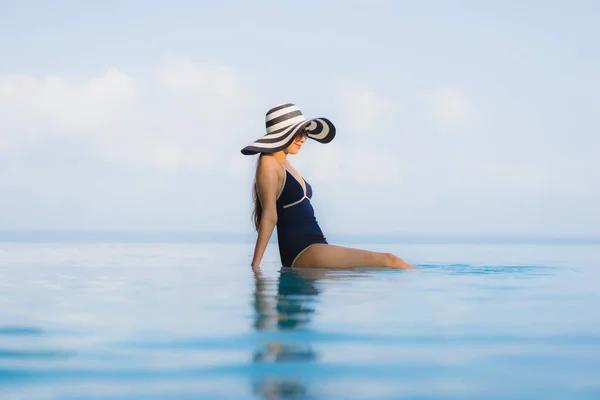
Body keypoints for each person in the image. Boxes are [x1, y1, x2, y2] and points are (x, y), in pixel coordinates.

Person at [241, 103, 415, 269]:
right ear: (282, 133)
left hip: (316, 245)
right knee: (389, 260)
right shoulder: (268, 162)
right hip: (302, 249)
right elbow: (270, 216)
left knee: (370, 275)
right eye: (299, 132)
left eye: (305, 132)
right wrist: (255, 266)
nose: (303, 138)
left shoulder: (286, 164)